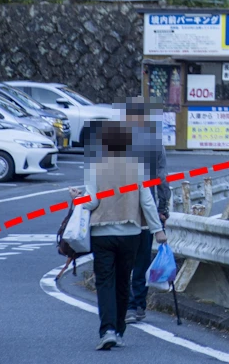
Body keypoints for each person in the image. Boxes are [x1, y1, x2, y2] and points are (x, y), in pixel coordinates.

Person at [73, 122, 165, 351]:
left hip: (102, 233)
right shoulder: (136, 167)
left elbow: (92, 201)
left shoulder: (95, 167)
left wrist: (77, 198)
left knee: (105, 281)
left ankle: (108, 330)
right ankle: (120, 331)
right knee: (124, 282)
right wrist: (157, 230)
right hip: (131, 233)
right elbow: (147, 202)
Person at [124, 100, 170, 324]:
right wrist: (163, 210)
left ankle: (130, 304)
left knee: (125, 261)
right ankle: (136, 305)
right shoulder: (155, 146)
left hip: (122, 213)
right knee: (140, 262)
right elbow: (162, 181)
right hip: (145, 214)